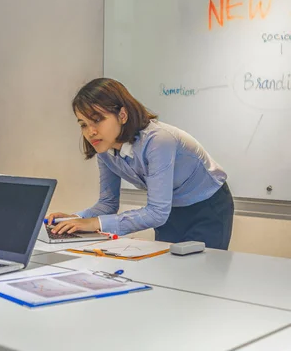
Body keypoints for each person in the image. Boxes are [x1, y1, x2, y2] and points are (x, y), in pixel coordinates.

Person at [46, 78, 234, 250]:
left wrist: (94, 223)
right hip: (171, 210)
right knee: (169, 270)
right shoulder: (105, 150)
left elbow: (157, 212)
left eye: (97, 120)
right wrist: (75, 219)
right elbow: (107, 204)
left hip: (208, 206)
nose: (90, 131)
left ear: (122, 115)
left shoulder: (158, 141)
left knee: (201, 272)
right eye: (83, 124)